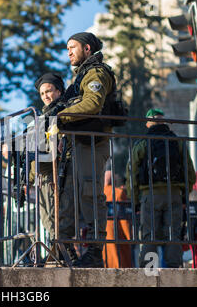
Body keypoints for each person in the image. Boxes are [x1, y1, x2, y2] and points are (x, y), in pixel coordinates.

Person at [55, 32, 114, 267]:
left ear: (87, 48)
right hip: (77, 143)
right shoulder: (80, 77)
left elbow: (92, 103)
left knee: (90, 195)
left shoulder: (97, 73)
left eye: (73, 47)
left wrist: (59, 118)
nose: (68, 52)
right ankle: (65, 251)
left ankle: (95, 252)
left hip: (92, 142)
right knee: (69, 197)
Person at [125, 108, 195, 268]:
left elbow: (132, 172)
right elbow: (190, 172)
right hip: (174, 193)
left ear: (148, 123)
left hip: (149, 194)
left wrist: (135, 200)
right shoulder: (177, 142)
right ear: (163, 121)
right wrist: (184, 195)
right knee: (173, 233)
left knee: (149, 234)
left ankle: (149, 270)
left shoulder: (142, 142)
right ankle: (173, 270)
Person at [30, 73, 77, 264]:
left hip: (65, 168)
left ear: (58, 91)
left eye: (49, 91)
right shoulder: (40, 118)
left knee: (62, 214)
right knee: (47, 215)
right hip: (46, 172)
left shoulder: (66, 111)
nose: (46, 96)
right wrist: (31, 178)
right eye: (42, 93)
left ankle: (65, 253)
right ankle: (57, 252)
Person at [102, 170, 132, 268]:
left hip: (103, 230)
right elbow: (123, 217)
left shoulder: (100, 193)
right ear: (114, 181)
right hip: (117, 231)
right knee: (120, 259)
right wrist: (128, 235)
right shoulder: (119, 193)